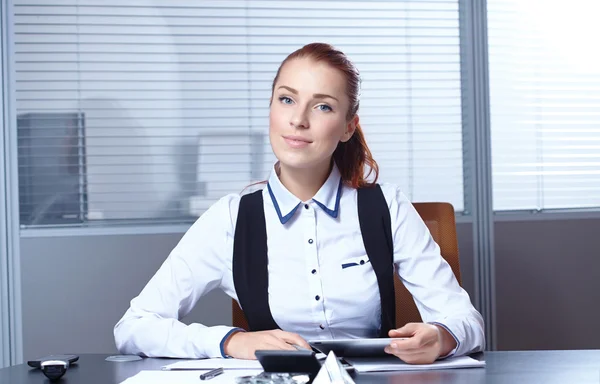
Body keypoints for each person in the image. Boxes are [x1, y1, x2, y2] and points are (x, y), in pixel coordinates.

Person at [114, 43, 485, 364]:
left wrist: (442, 337)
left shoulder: (387, 207)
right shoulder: (231, 217)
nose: (298, 120)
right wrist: (231, 341)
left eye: (322, 107)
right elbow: (134, 327)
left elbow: (465, 321)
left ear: (347, 127)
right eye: (287, 99)